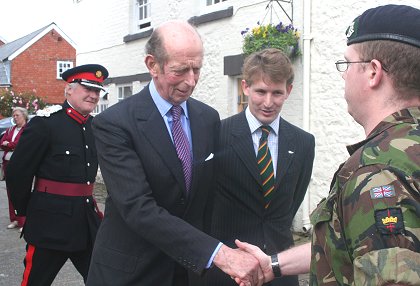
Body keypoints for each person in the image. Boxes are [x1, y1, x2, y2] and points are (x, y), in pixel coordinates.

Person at [235, 4, 420, 286]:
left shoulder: (378, 174)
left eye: (347, 64)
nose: (343, 75)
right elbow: (349, 242)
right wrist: (273, 264)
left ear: (373, 72)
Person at [86, 20, 263, 286]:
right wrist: (219, 254)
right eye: (180, 70)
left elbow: (208, 199)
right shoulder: (115, 123)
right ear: (152, 65)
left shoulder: (207, 118)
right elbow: (137, 208)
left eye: (197, 69)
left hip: (187, 272)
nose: (190, 81)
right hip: (131, 272)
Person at [202, 48, 315, 286]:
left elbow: (292, 202)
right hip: (228, 271)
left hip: (281, 270)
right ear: (245, 87)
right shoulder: (217, 134)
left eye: (277, 93)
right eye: (261, 91)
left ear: (289, 91)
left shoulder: (304, 143)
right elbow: (205, 202)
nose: (268, 102)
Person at [6, 64, 108, 285]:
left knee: (103, 279)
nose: (93, 95)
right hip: (49, 223)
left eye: (97, 91)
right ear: (69, 90)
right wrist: (25, 212)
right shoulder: (46, 124)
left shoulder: (94, 126)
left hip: (86, 222)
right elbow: (17, 172)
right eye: (87, 89)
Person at [0, 107, 29, 232]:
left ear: (24, 115)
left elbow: (20, 144)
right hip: (7, 162)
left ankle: (24, 221)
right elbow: (2, 142)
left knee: (21, 191)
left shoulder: (27, 129)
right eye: (13, 115)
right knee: (10, 191)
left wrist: (9, 144)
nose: (14, 118)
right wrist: (8, 145)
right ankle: (15, 219)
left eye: (17, 115)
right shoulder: (11, 129)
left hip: (21, 163)